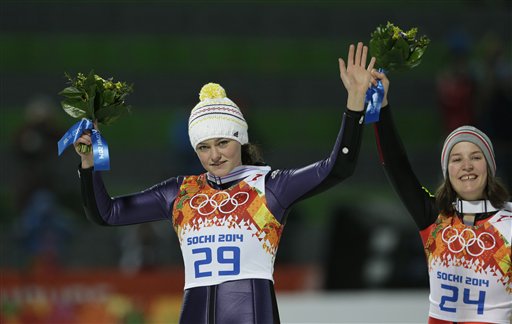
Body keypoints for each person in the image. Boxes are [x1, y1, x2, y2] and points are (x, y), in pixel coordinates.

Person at [73, 42, 375, 323]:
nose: (214, 155)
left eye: (222, 143)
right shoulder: (180, 192)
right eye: (204, 147)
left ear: (240, 140)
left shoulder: (269, 186)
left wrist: (355, 103)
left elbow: (338, 168)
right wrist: (89, 164)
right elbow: (106, 214)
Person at [371, 69, 511, 324]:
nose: (466, 166)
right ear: (448, 173)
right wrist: (381, 108)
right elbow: (396, 166)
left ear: (489, 168)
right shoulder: (434, 217)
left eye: (476, 157)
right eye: (456, 160)